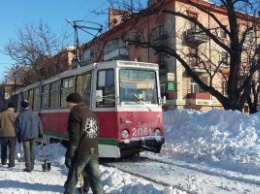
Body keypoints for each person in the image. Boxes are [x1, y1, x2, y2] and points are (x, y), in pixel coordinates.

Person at [64, 92, 103, 194]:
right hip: (93, 150)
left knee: (73, 177)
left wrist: (69, 154)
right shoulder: (92, 114)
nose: (67, 106)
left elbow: (74, 137)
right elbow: (97, 132)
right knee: (95, 179)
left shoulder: (75, 113)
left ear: (73, 103)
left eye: (68, 103)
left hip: (82, 152)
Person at [15, 100, 43, 172]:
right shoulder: (34, 114)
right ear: (28, 105)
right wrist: (41, 133)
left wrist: (18, 136)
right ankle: (32, 165)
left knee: (26, 150)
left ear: (22, 106)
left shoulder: (20, 115)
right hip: (34, 135)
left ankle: (28, 167)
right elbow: (39, 124)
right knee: (32, 149)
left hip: (24, 135)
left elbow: (17, 128)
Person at [0, 102, 18, 167]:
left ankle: (3, 161)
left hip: (3, 134)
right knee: (12, 149)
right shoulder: (15, 115)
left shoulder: (1, 114)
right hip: (12, 134)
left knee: (3, 148)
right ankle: (11, 162)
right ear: (13, 108)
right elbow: (17, 125)